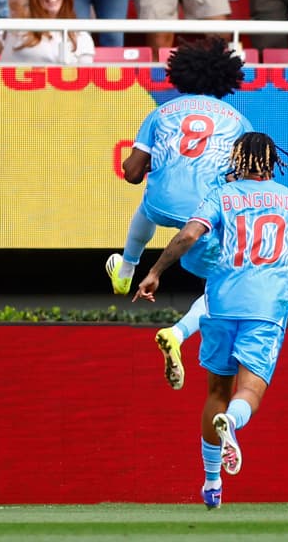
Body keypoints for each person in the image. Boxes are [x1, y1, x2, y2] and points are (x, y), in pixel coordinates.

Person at [132, 132, 288, 509]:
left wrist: (156, 271)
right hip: (266, 310)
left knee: (215, 392)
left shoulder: (222, 196)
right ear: (274, 162)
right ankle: (232, 423)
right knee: (250, 392)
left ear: (238, 158)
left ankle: (212, 484)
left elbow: (189, 235)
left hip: (221, 304)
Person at [109, 38, 252, 388]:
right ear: (225, 79)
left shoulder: (160, 113)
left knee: (148, 202)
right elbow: (242, 181)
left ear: (180, 75)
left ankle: (126, 268)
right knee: (221, 285)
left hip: (162, 204)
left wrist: (146, 163)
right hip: (203, 214)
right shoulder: (238, 122)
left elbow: (131, 174)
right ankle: (177, 332)